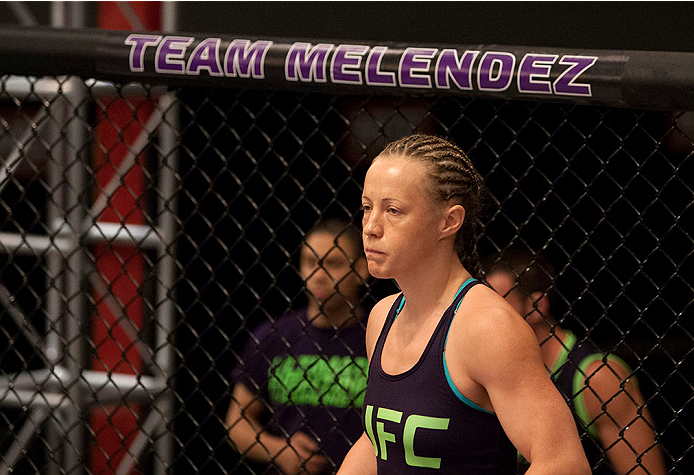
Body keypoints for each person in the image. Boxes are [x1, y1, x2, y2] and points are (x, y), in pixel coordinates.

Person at [338, 134, 590, 474]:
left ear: (449, 221)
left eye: (393, 210)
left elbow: (563, 463)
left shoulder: (486, 326)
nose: (370, 227)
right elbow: (381, 440)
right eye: (367, 207)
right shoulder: (383, 316)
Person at [484, 247, 666, 475]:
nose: (487, 313)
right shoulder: (489, 372)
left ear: (536, 306)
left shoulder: (598, 378)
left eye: (499, 301)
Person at [226, 218, 370, 474]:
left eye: (333, 263)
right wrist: (278, 450)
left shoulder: (381, 337)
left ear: (361, 269)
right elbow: (237, 421)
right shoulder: (273, 336)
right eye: (310, 262)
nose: (319, 275)